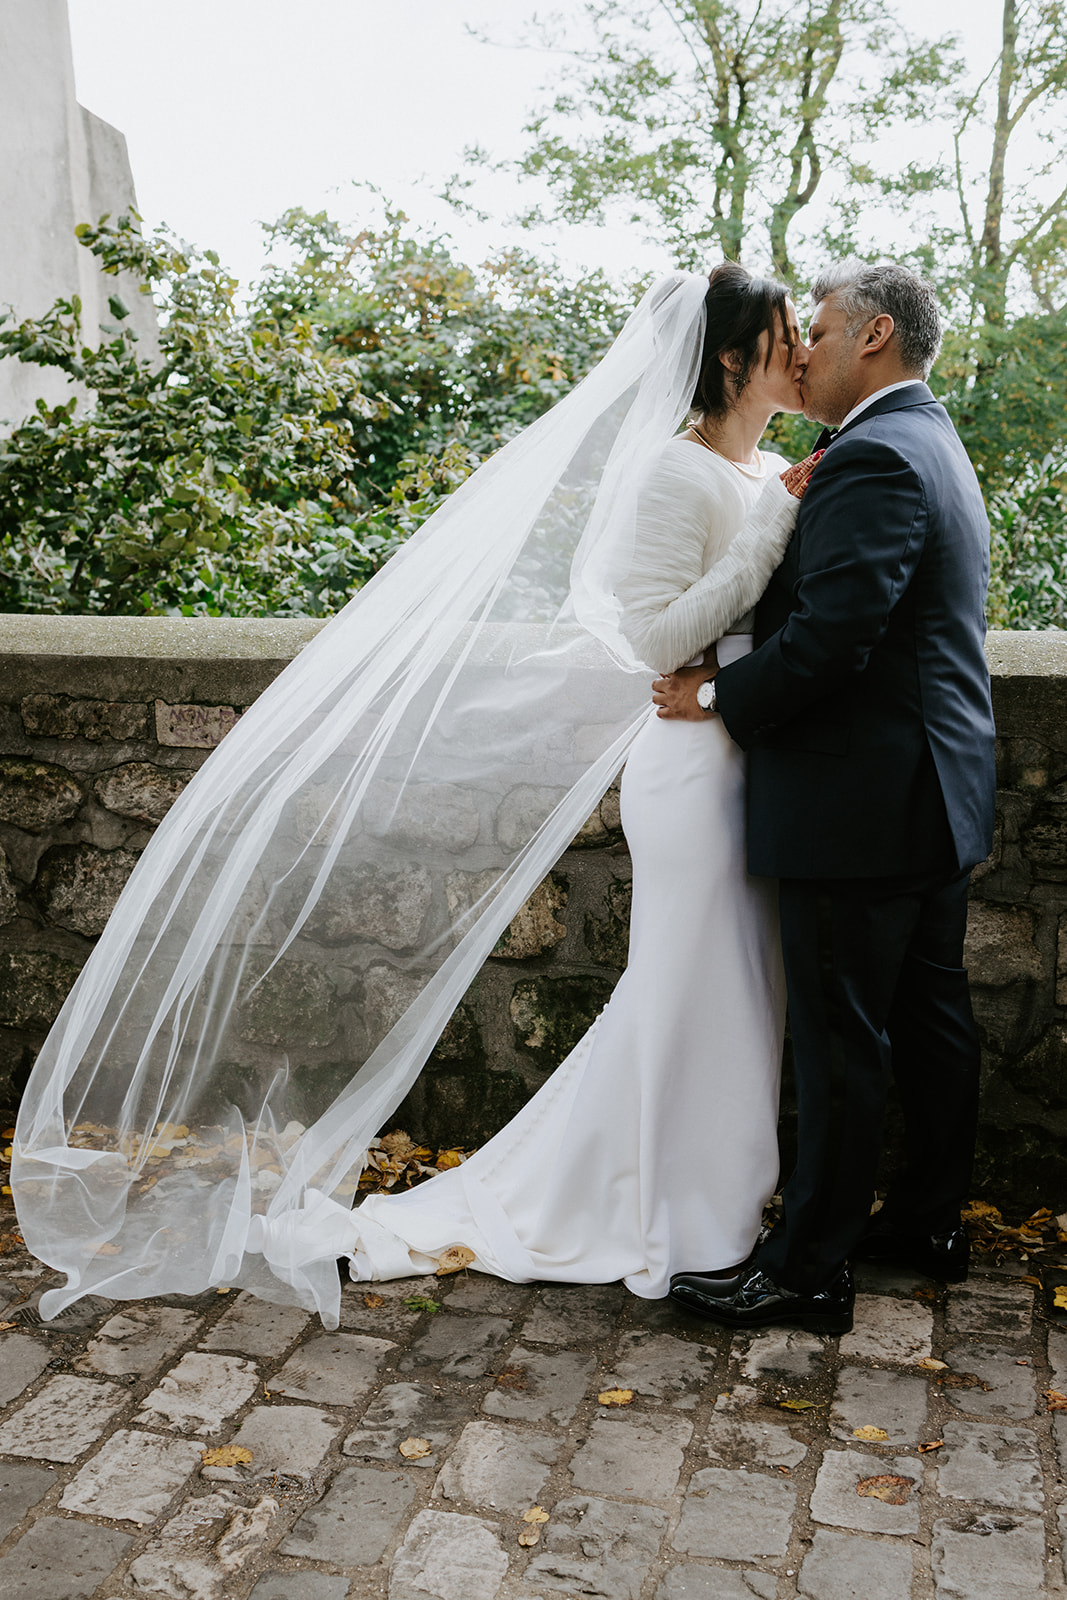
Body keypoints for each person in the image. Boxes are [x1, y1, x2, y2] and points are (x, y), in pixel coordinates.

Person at [13, 265, 816, 1328]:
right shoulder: (679, 473)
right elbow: (657, 637)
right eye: (785, 334)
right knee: (691, 989)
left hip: (742, 759)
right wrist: (768, 526)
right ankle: (678, 1217)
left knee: (733, 992)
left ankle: (701, 1198)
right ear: (730, 358)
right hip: (690, 769)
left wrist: (775, 510)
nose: (802, 349)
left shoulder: (763, 470)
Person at [657, 261, 996, 1336]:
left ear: (874, 336)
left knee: (841, 1036)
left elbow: (831, 638)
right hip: (932, 790)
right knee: (928, 1020)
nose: (801, 348)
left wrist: (715, 694)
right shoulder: (928, 438)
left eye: (818, 327)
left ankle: (807, 1272)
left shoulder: (874, 456)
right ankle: (927, 1225)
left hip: (861, 802)